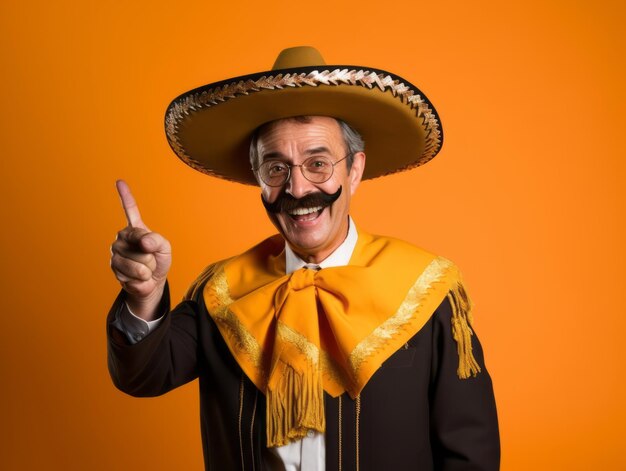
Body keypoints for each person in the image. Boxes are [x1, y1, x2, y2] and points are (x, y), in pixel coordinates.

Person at [107, 46, 500, 471]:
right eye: (276, 168)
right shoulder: (222, 293)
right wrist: (144, 295)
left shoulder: (426, 293)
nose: (297, 189)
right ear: (258, 180)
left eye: (318, 163)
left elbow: (469, 454)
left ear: (354, 171)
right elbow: (143, 376)